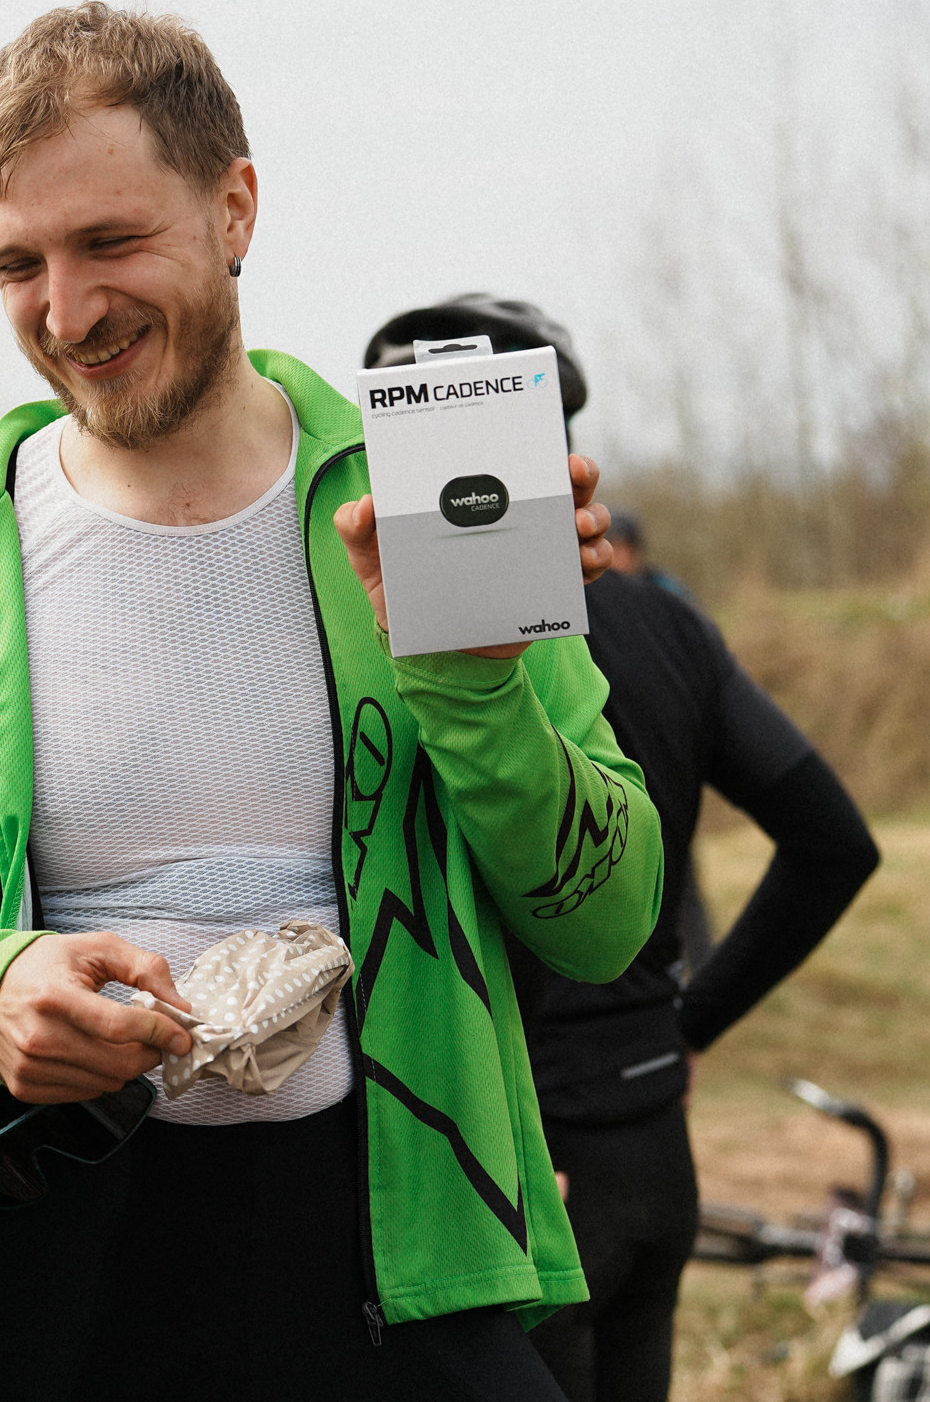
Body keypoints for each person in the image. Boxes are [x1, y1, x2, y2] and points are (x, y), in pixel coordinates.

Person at [0, 2, 665, 1402]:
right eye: (19, 264)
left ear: (234, 206)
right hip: (55, 1290)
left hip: (402, 1285)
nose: (67, 313)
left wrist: (477, 694)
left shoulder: (416, 502)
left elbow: (605, 922)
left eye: (111, 243)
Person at [367, 295, 882, 1402]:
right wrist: (689, 1024)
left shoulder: (411, 654)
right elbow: (833, 843)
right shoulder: (669, 624)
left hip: (515, 1171)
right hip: (653, 1151)